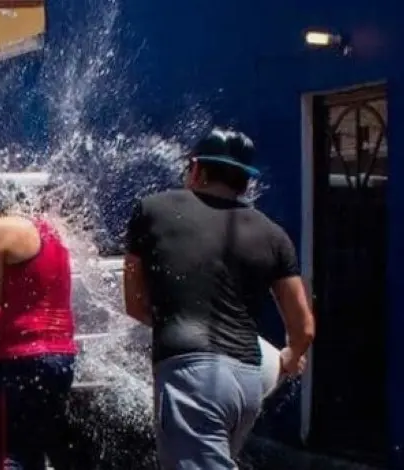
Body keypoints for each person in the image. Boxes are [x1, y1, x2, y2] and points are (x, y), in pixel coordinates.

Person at [123, 128, 315, 469]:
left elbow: (135, 303)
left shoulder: (152, 210)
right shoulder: (274, 235)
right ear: (244, 181)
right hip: (248, 380)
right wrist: (290, 357)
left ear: (196, 168)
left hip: (191, 378)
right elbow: (304, 327)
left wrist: (174, 318)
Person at [0, 183, 77, 470]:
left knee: (10, 455)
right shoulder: (50, 231)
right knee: (39, 448)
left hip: (19, 356)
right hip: (61, 355)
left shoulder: (0, 228)